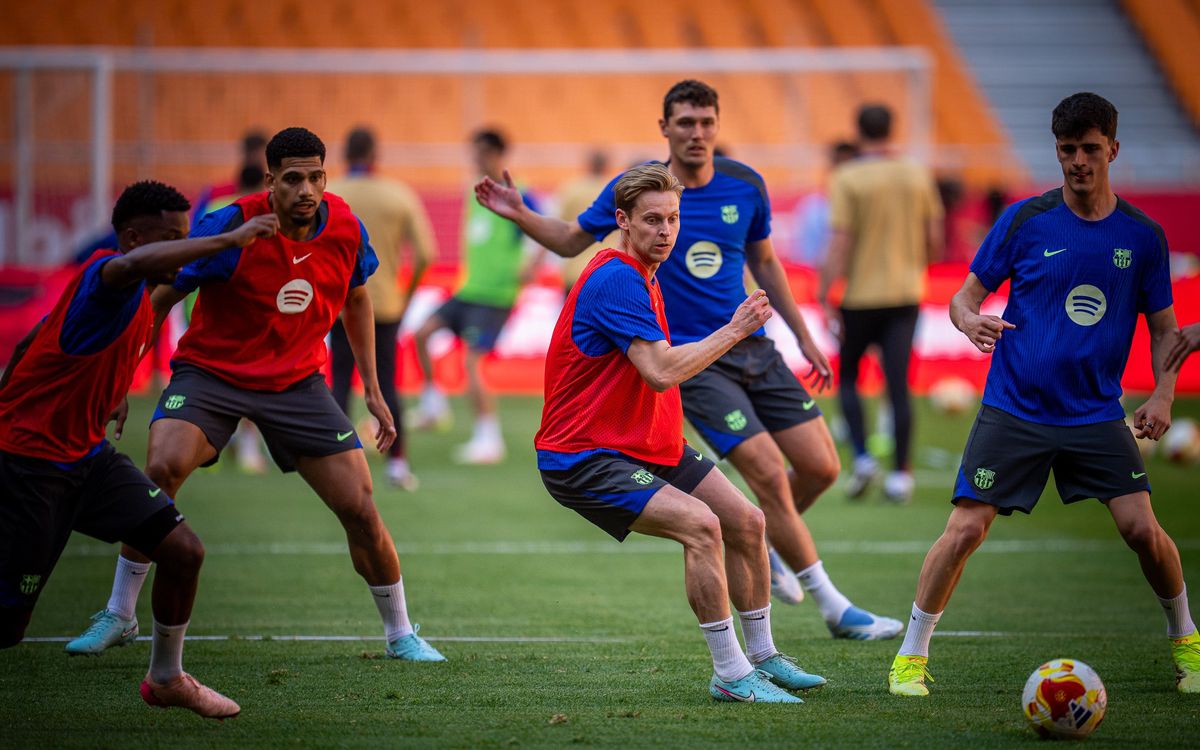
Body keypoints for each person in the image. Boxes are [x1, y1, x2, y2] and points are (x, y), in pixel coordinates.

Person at [476, 80, 902, 639]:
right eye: (685, 123)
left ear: (717, 125)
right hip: (693, 362)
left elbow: (767, 263)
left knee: (821, 466)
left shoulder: (745, 185)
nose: (696, 133)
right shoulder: (637, 194)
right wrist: (521, 214)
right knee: (769, 477)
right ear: (666, 129)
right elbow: (569, 240)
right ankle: (833, 606)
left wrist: (803, 335)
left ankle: (762, 544)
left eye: (706, 123)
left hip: (754, 346)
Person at [65, 128, 446, 664]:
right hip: (211, 375)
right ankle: (119, 614)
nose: (306, 190)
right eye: (293, 179)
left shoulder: (344, 228)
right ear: (270, 181)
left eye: (316, 177)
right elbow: (162, 295)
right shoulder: (230, 224)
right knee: (161, 469)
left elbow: (356, 300)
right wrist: (119, 379)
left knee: (360, 508)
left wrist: (374, 390)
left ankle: (401, 633)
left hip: (296, 383)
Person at [887, 92, 1199, 697]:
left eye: (1088, 149)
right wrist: (967, 320)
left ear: (1112, 147)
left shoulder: (1144, 236)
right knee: (965, 530)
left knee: (1142, 529)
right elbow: (963, 297)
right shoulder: (1027, 221)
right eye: (1066, 150)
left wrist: (1162, 396)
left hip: (1094, 413)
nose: (1077, 161)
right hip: (1015, 407)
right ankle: (910, 657)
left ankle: (1186, 640)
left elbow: (1166, 331)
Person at [537, 162, 825, 702]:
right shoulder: (618, 278)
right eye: (652, 220)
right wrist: (736, 329)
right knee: (702, 527)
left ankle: (764, 657)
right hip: (584, 455)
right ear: (622, 220)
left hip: (645, 443)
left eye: (672, 218)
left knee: (747, 521)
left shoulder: (645, 271)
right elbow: (662, 370)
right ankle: (732, 675)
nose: (666, 231)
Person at [1, 180, 279, 718]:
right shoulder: (110, 272)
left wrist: (113, 391)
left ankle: (167, 677)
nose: (181, 246)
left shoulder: (138, 300)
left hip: (87, 459)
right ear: (133, 239)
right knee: (8, 628)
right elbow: (128, 269)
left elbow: (28, 342)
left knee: (183, 551)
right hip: (30, 467)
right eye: (171, 238)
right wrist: (228, 239)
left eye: (186, 234)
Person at [819, 105, 945, 504]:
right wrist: (914, 265)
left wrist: (825, 293)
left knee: (850, 378)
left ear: (858, 132)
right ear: (893, 129)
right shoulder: (916, 174)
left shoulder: (847, 176)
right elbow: (934, 237)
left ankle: (861, 456)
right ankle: (901, 476)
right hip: (906, 293)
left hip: (860, 296)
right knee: (897, 384)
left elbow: (840, 240)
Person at [413, 128, 542, 464]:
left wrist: (534, 264)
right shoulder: (476, 194)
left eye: (481, 153)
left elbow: (547, 228)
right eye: (473, 153)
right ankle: (432, 404)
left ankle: (489, 438)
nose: (475, 160)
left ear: (498, 155)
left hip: (495, 296)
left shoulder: (520, 192)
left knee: (472, 362)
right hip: (468, 290)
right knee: (422, 333)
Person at [328, 126, 437, 490]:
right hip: (386, 305)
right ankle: (397, 464)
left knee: (339, 380)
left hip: (338, 302)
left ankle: (335, 462)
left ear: (345, 154)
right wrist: (405, 295)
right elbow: (426, 254)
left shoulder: (332, 195)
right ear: (376, 155)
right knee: (387, 384)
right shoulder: (398, 195)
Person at [790, 141, 859, 268]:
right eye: (839, 166)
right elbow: (808, 260)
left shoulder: (869, 207)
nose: (843, 174)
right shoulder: (813, 208)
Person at [558, 149, 614, 292]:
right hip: (606, 273)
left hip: (575, 273)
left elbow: (557, 227)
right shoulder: (614, 191)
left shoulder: (572, 189)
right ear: (606, 166)